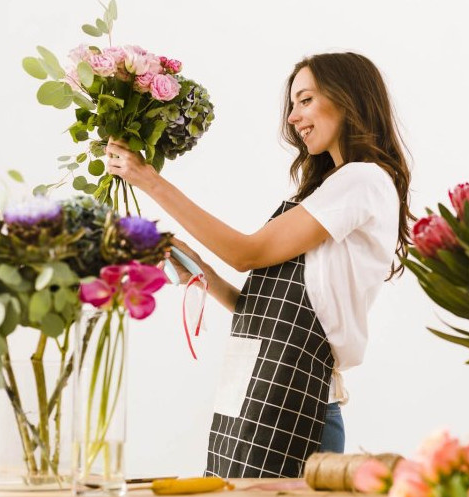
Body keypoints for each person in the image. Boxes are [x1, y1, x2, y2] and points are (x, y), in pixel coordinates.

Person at [105, 52, 413, 478]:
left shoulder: (363, 180)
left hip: (297, 402)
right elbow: (270, 313)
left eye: (306, 100)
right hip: (260, 391)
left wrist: (148, 179)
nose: (293, 117)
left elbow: (246, 253)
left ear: (348, 99)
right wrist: (204, 274)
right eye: (293, 104)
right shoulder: (331, 188)